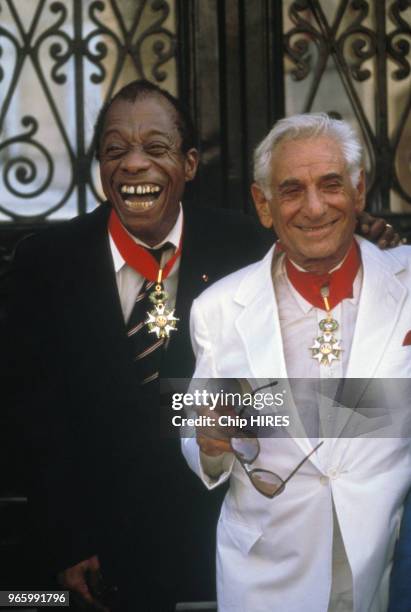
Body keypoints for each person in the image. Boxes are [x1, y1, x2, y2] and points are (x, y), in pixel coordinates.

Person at [4, 83, 399, 612]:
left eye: (156, 148)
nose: (134, 165)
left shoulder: (247, 244)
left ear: (189, 164)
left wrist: (370, 234)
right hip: (92, 547)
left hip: (212, 540)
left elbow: (319, 233)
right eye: (115, 150)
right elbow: (32, 413)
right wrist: (68, 536)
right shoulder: (45, 263)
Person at [182, 113, 411, 612]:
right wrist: (209, 439)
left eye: (331, 185)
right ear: (263, 206)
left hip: (386, 563)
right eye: (291, 190)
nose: (314, 207)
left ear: (358, 189)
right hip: (268, 573)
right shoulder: (219, 308)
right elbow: (194, 424)